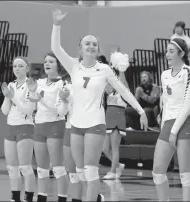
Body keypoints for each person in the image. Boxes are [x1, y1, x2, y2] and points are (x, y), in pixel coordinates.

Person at [51, 5, 148, 201]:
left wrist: (140, 111)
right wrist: (57, 25)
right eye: (87, 44)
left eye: (94, 44)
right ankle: (96, 198)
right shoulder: (73, 66)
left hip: (95, 123)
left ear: (98, 49)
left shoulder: (104, 69)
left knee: (91, 170)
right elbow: (55, 48)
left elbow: (123, 91)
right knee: (79, 172)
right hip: (76, 125)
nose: (91, 46)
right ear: (80, 48)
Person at [152, 38, 190, 201]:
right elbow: (165, 102)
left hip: (185, 124)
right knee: (157, 171)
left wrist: (173, 131)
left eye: (171, 51)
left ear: (182, 54)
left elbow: (187, 106)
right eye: (167, 51)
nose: (167, 54)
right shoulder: (164, 75)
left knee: (185, 173)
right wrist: (164, 126)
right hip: (168, 124)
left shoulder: (189, 72)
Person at [26, 52, 69, 202]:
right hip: (40, 126)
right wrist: (32, 92)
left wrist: (41, 100)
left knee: (57, 168)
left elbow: (61, 110)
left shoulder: (62, 84)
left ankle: (62, 199)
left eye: (51, 61)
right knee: (41, 169)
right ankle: (41, 199)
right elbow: (32, 105)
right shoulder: (39, 83)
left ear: (58, 65)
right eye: (45, 62)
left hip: (55, 125)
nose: (47, 64)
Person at [1, 57, 36, 202]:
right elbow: (4, 111)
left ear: (27, 68)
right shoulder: (11, 84)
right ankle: (15, 197)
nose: (17, 68)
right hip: (11, 126)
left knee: (25, 167)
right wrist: (6, 97)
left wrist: (12, 97)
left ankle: (28, 198)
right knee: (11, 167)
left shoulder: (31, 85)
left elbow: (28, 110)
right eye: (15, 66)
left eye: (21, 66)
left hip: (25, 126)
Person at [102, 51, 129, 180]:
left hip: (118, 116)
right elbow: (104, 88)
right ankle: (118, 165)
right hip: (108, 116)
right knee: (105, 148)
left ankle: (113, 171)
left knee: (114, 146)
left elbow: (124, 86)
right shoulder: (110, 85)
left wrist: (121, 68)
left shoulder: (123, 85)